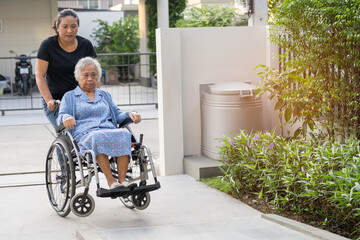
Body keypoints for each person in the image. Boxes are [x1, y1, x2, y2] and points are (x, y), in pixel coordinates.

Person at [57, 57, 142, 189]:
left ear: (98, 77)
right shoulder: (70, 96)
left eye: (94, 75)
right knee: (97, 137)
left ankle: (122, 180)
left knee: (124, 134)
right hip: (85, 135)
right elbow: (61, 115)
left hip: (108, 130)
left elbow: (117, 114)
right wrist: (66, 117)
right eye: (86, 75)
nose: (90, 78)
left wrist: (131, 114)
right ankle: (111, 181)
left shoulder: (104, 95)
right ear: (78, 76)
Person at [36, 8, 97, 129]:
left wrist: (96, 98)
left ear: (78, 27)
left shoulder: (86, 45)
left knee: (89, 131)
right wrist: (49, 100)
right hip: (56, 102)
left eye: (73, 26)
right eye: (65, 26)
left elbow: (95, 76)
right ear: (57, 27)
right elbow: (40, 75)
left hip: (81, 100)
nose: (69, 30)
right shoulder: (47, 45)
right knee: (67, 135)